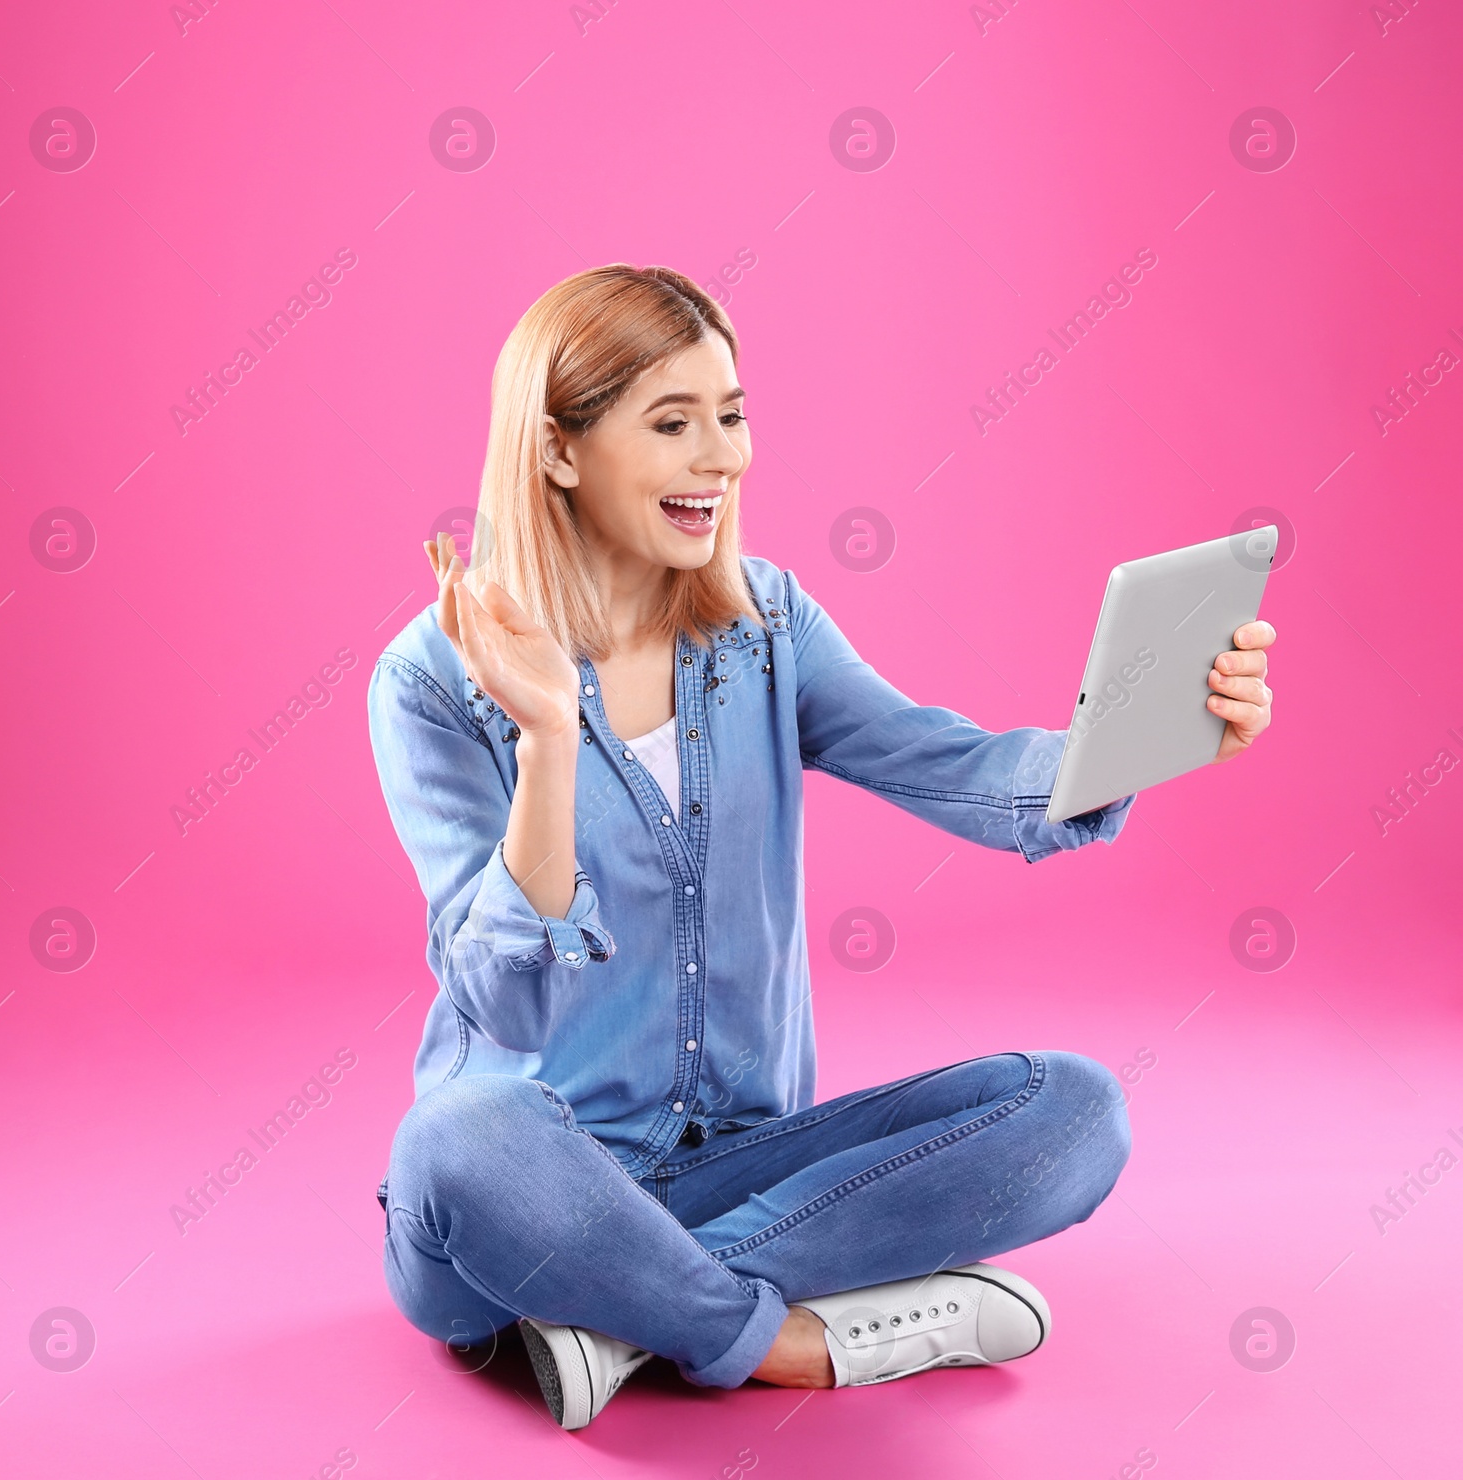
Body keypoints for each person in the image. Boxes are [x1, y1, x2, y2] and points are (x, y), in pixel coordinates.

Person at [367, 264, 1277, 1430]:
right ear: (557, 451)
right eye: (674, 422)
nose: (725, 455)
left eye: (733, 416)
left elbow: (946, 763)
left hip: (742, 1163)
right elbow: (504, 1005)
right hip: (520, 1195)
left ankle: (628, 1320)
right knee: (457, 1134)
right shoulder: (433, 679)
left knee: (1074, 1107)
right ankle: (778, 1337)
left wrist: (1143, 735)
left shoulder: (764, 626)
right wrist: (547, 734)